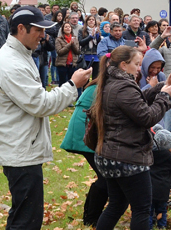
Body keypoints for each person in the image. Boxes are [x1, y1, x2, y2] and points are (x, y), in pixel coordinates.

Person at [0, 6, 91, 230]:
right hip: (19, 150)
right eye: (39, 30)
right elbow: (41, 104)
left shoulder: (20, 54)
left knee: (25, 214)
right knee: (26, 220)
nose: (44, 36)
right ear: (21, 29)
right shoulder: (11, 63)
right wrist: (73, 85)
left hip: (22, 146)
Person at [91, 46, 171, 230]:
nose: (140, 68)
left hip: (111, 155)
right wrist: (164, 97)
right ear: (123, 65)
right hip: (127, 158)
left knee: (116, 205)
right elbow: (147, 117)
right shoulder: (124, 86)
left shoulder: (113, 81)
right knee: (142, 209)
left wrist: (160, 88)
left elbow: (135, 104)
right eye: (137, 64)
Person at [60, 55, 111, 226]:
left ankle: (91, 216)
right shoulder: (102, 86)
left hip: (90, 132)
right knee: (105, 178)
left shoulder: (105, 83)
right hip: (85, 134)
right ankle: (91, 218)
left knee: (105, 177)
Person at [149, 129, 171, 229]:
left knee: (149, 211)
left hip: (150, 189)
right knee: (162, 210)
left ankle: (148, 226)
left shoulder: (150, 155)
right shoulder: (169, 158)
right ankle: (162, 226)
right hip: (163, 190)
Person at [56, 22, 81, 88]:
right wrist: (69, 44)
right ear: (63, 29)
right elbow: (60, 52)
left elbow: (78, 51)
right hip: (62, 64)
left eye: (69, 27)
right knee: (63, 83)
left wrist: (73, 44)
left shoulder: (75, 39)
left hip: (73, 64)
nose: (68, 28)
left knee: (72, 83)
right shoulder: (59, 39)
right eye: (66, 27)